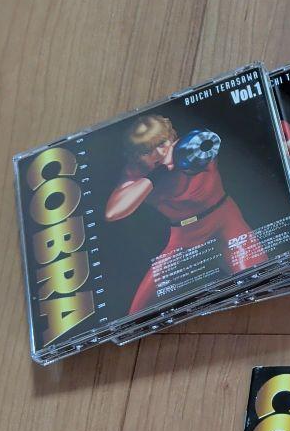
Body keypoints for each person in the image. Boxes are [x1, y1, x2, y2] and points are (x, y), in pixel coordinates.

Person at [104, 113, 265, 314]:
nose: (159, 152)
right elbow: (113, 212)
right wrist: (158, 173)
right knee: (137, 313)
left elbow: (208, 141)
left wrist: (177, 155)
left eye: (162, 143)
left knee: (260, 278)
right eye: (147, 150)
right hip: (184, 235)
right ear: (136, 156)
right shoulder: (136, 172)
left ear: (172, 137)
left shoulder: (193, 144)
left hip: (224, 219)